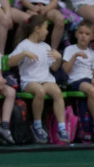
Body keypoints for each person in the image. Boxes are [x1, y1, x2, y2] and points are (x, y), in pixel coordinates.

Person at [8, 14, 66, 144]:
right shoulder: (24, 45)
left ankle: (62, 128)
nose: (47, 32)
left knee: (57, 92)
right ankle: (37, 125)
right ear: (37, 29)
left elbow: (54, 67)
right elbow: (10, 62)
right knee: (40, 91)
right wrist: (23, 54)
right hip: (29, 81)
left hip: (46, 79)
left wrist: (58, 58)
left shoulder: (46, 46)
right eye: (45, 28)